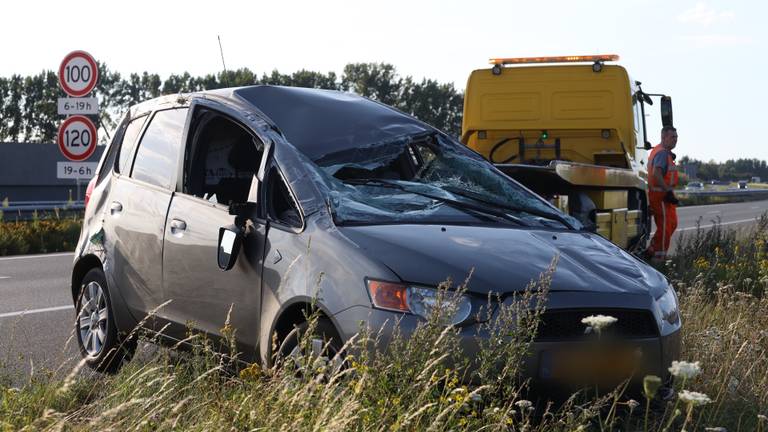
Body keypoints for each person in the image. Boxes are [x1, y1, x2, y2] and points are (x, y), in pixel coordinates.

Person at [645, 126, 679, 261]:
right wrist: (667, 190)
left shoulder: (662, 152)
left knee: (672, 224)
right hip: (661, 197)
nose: (675, 140)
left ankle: (653, 250)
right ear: (664, 137)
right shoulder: (662, 153)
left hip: (664, 196)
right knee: (665, 228)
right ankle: (658, 258)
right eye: (673, 137)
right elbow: (656, 174)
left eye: (676, 137)